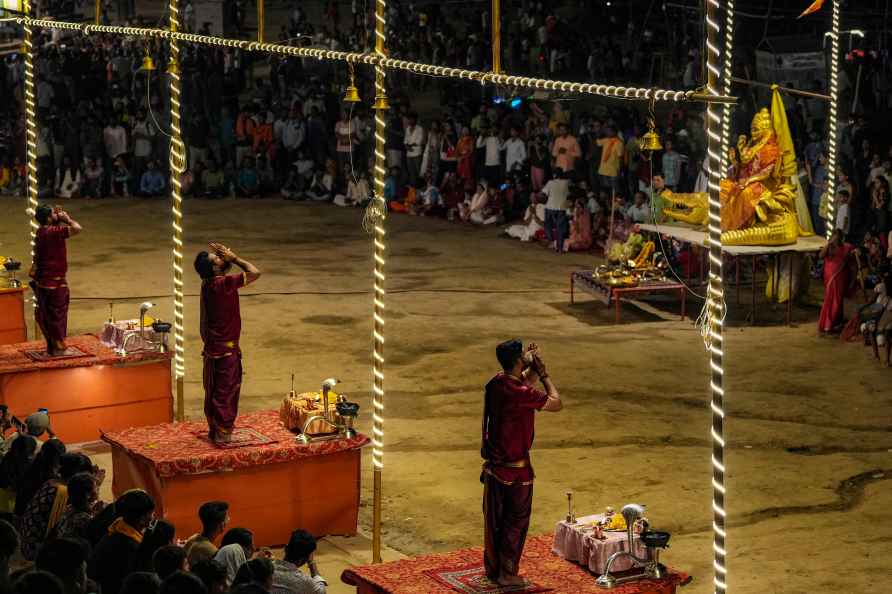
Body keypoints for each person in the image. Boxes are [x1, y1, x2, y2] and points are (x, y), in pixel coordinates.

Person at [482, 340, 562, 587]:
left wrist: (534, 365)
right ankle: (508, 574)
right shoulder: (520, 394)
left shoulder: (497, 383)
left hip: (495, 468)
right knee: (515, 522)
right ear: (518, 361)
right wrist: (545, 374)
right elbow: (556, 403)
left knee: (495, 521)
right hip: (516, 470)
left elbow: (523, 382)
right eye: (522, 356)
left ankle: (495, 570)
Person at [194, 245, 261, 443]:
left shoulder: (208, 284)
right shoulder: (223, 284)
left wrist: (227, 260)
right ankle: (223, 433)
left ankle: (216, 429)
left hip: (214, 348)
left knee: (214, 389)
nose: (222, 257)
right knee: (226, 390)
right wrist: (235, 258)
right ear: (215, 269)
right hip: (226, 350)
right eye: (218, 258)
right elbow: (255, 272)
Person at [30, 205, 82, 356]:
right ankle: (59, 347)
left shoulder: (41, 231)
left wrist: (57, 218)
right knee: (57, 315)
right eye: (53, 213)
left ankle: (52, 347)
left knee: (47, 315)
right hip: (55, 283)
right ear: (47, 218)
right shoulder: (53, 232)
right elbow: (78, 228)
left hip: (43, 282)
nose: (56, 214)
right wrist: (67, 219)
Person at [88, 489, 156, 594]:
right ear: (142, 519)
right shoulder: (129, 546)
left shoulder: (115, 529)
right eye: (152, 513)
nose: (153, 517)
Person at [818, 229, 856, 335]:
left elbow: (853, 265)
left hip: (841, 277)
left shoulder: (848, 247)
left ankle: (832, 324)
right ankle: (828, 325)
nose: (837, 239)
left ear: (842, 238)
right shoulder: (829, 247)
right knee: (832, 300)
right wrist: (829, 243)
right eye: (835, 236)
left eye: (839, 237)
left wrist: (853, 279)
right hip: (830, 277)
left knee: (837, 301)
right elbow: (820, 256)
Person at [270, 529, 327, 594]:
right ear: (304, 560)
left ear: (285, 548)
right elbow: (322, 592)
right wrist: (312, 563)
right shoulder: (304, 581)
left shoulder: (265, 568)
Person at [184, 501, 229, 567]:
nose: (228, 520)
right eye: (227, 518)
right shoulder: (212, 551)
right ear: (222, 525)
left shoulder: (192, 538)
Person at [541, 169, 570, 253]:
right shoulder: (566, 183)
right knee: (560, 229)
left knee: (548, 225)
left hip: (550, 207)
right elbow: (568, 194)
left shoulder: (550, 182)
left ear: (554, 175)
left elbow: (543, 194)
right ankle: (560, 248)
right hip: (561, 209)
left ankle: (551, 240)